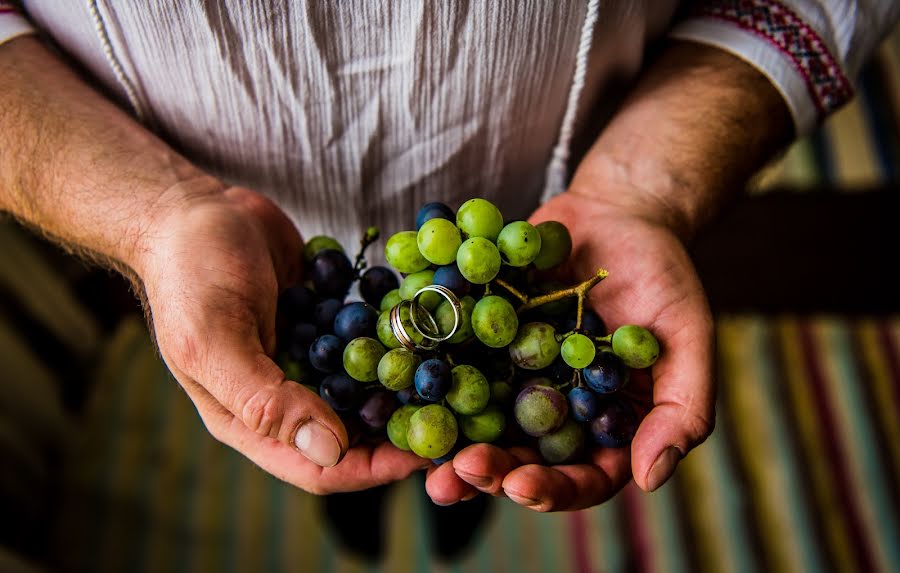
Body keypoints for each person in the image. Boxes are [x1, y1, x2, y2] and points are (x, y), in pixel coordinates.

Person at [1, 0, 897, 516]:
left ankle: (436, 520)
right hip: (233, 263)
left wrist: (644, 189)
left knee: (465, 461)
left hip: (581, 219)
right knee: (343, 439)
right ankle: (369, 517)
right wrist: (155, 214)